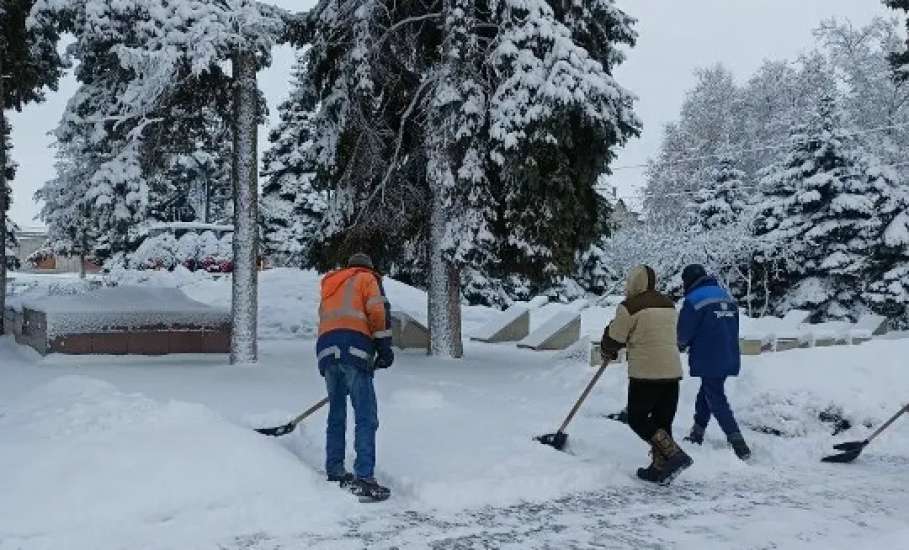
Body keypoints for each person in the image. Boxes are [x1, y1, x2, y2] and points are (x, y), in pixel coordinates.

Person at [601, 265, 693, 484]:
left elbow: (616, 338)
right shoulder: (668, 304)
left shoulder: (630, 307)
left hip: (646, 372)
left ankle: (675, 455)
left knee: (637, 417)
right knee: (662, 421)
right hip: (672, 371)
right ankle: (659, 469)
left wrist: (607, 346)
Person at [316, 253, 394, 500]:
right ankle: (364, 477)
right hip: (356, 349)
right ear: (369, 267)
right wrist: (383, 349)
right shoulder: (367, 279)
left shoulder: (331, 284)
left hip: (327, 352)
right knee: (365, 415)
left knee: (337, 413)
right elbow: (378, 312)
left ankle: (335, 469)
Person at [677, 264, 752, 461]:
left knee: (716, 398)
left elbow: (683, 333)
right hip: (728, 352)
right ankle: (697, 433)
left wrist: (680, 344)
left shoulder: (694, 300)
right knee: (708, 391)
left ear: (688, 281)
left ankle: (738, 443)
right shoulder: (725, 295)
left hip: (708, 354)